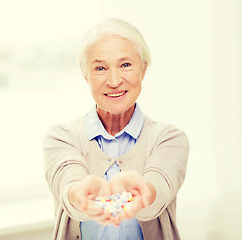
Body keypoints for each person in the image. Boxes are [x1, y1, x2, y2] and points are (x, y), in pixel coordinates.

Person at [43, 18, 189, 240]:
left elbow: (158, 188)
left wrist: (143, 192)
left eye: (125, 65)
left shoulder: (169, 138)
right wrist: (81, 194)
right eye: (100, 68)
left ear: (143, 69)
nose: (113, 80)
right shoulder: (62, 138)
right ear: (86, 76)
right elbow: (68, 184)